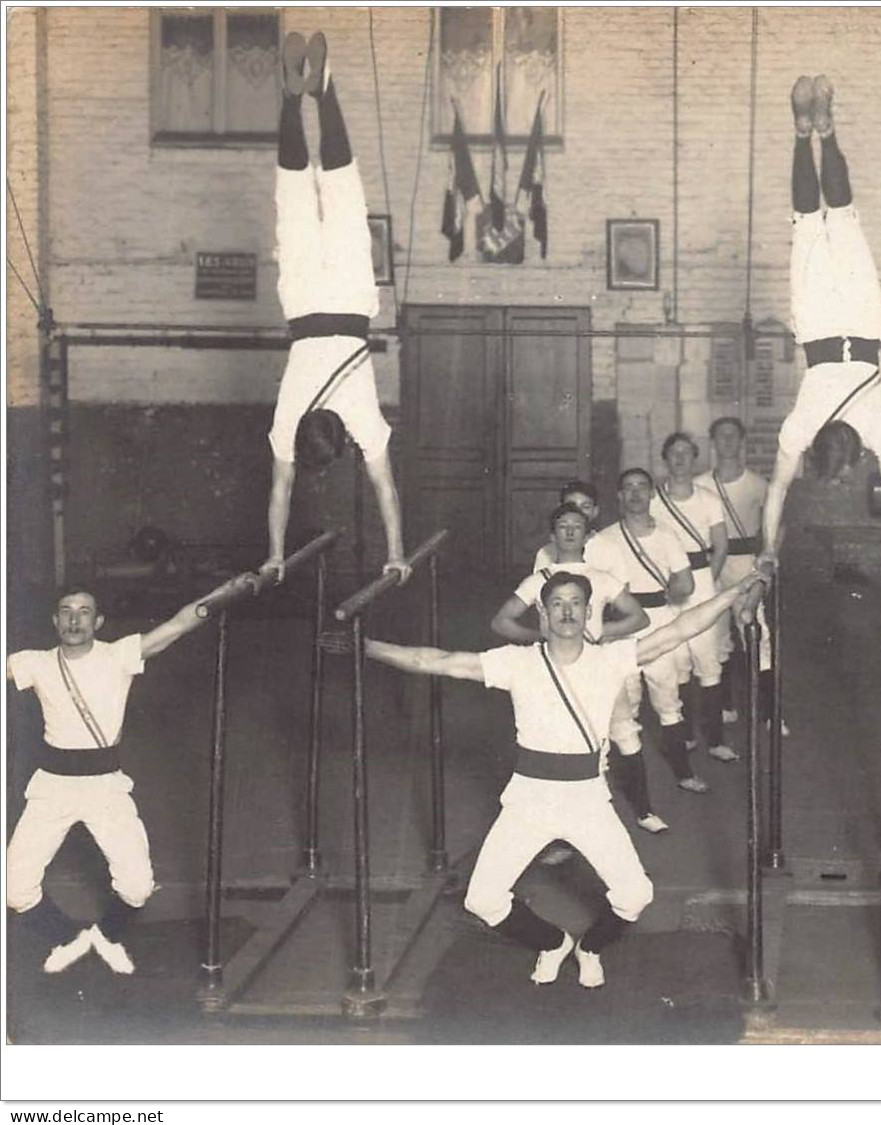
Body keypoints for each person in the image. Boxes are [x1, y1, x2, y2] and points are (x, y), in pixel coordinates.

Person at [366, 570, 765, 988]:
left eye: (576, 602)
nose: (567, 611)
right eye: (557, 603)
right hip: (529, 800)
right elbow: (438, 661)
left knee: (635, 896)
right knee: (482, 899)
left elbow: (679, 629)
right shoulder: (516, 661)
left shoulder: (610, 659)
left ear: (590, 612)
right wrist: (368, 647)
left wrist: (734, 590)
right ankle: (553, 942)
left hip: (587, 800)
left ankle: (589, 947)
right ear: (542, 614)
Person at [7, 577, 242, 974]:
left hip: (105, 786)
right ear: (54, 620)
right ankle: (69, 938)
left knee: (137, 886)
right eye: (66, 612)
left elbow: (177, 626)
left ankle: (107, 935)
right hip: (53, 786)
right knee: (14, 889)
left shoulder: (118, 656)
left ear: (98, 622)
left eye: (84, 612)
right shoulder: (35, 662)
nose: (74, 620)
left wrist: (221, 595)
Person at [262, 32, 408, 587]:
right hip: (302, 306)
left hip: (349, 305)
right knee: (295, 196)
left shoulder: (361, 419)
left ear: (341, 438)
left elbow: (385, 490)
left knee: (344, 192)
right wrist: (271, 552)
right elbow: (280, 487)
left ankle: (321, 93)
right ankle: (290, 96)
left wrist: (396, 550)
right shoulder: (287, 421)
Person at [758, 75, 881, 583]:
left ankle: (824, 128)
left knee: (838, 217)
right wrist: (766, 548)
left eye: (844, 469)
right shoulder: (802, 426)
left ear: (845, 454)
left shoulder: (878, 431)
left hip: (860, 326)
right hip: (822, 326)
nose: (847, 473)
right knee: (809, 219)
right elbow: (777, 491)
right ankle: (806, 131)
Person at [490, 504, 666, 834]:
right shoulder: (538, 580)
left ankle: (643, 810)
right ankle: (564, 830)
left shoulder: (601, 578)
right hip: (555, 672)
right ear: (552, 535)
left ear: (588, 535)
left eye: (576, 526)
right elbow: (501, 621)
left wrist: (603, 633)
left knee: (624, 733)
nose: (569, 531)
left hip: (597, 668)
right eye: (562, 526)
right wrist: (538, 638)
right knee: (565, 743)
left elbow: (639, 617)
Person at [586, 469, 709, 793]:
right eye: (628, 488)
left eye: (642, 487)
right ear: (619, 496)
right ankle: (616, 780)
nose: (636, 494)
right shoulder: (605, 539)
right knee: (623, 702)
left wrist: (673, 594)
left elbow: (686, 582)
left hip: (657, 621)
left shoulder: (668, 535)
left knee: (667, 699)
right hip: (621, 624)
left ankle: (684, 773)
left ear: (653, 494)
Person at [651, 433, 734, 762]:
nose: (680, 459)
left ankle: (715, 739)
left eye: (686, 453)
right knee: (675, 659)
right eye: (674, 453)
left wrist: (706, 582)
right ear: (665, 459)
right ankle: (684, 735)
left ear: (696, 459)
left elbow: (722, 546)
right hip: (667, 583)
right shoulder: (654, 501)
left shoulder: (708, 499)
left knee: (707, 661)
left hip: (700, 581)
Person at [699, 416, 776, 726]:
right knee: (715, 635)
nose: (727, 442)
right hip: (713, 563)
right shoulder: (700, 485)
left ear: (742, 442)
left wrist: (768, 557)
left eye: (733, 436)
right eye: (721, 437)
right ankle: (724, 706)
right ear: (713, 443)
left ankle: (769, 713)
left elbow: (775, 525)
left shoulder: (758, 484)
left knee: (757, 633)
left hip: (747, 563)